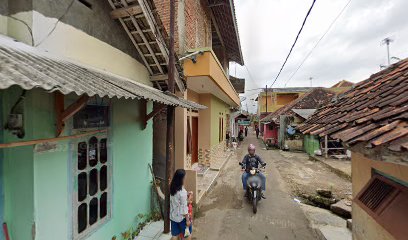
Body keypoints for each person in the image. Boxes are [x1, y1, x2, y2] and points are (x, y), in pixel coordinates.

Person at [170, 169, 192, 239]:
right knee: (187, 234)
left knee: (174, 235)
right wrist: (188, 220)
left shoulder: (172, 188)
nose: (186, 178)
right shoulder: (182, 192)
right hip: (181, 218)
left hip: (173, 216)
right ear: (181, 179)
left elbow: (176, 199)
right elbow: (184, 208)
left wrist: (186, 195)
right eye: (185, 177)